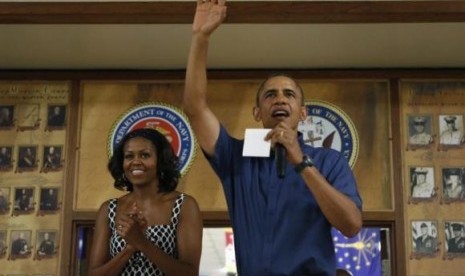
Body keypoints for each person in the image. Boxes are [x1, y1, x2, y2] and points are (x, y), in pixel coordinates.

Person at [183, 0, 363, 274]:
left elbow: (351, 225)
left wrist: (301, 162)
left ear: (303, 113)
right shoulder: (236, 157)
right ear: (257, 112)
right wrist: (200, 38)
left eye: (289, 94)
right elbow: (195, 108)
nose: (280, 99)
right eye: (271, 95)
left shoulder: (329, 161)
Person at [88, 128, 203, 276]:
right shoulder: (109, 209)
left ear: (160, 161)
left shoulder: (183, 205)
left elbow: (190, 273)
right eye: (129, 156)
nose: (136, 161)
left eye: (145, 155)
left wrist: (141, 242)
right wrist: (130, 248)